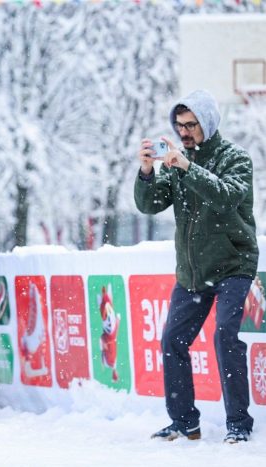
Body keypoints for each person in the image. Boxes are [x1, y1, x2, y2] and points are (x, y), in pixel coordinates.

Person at [135, 90, 258, 444]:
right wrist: (146, 173)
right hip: (193, 272)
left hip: (234, 263)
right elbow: (151, 205)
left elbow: (224, 197)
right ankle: (184, 421)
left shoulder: (236, 159)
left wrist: (188, 167)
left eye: (191, 125)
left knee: (225, 336)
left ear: (208, 123)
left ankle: (238, 422)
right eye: (179, 126)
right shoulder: (176, 162)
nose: (184, 132)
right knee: (172, 340)